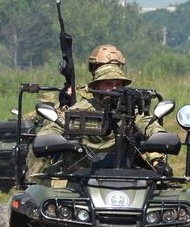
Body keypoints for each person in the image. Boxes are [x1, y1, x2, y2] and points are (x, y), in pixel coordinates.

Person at [26, 58, 166, 180]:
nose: (114, 89)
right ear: (97, 86)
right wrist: (54, 140)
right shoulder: (79, 110)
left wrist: (161, 138)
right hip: (77, 178)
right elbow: (51, 131)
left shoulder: (130, 112)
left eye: (118, 85)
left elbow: (148, 125)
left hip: (121, 177)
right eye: (109, 84)